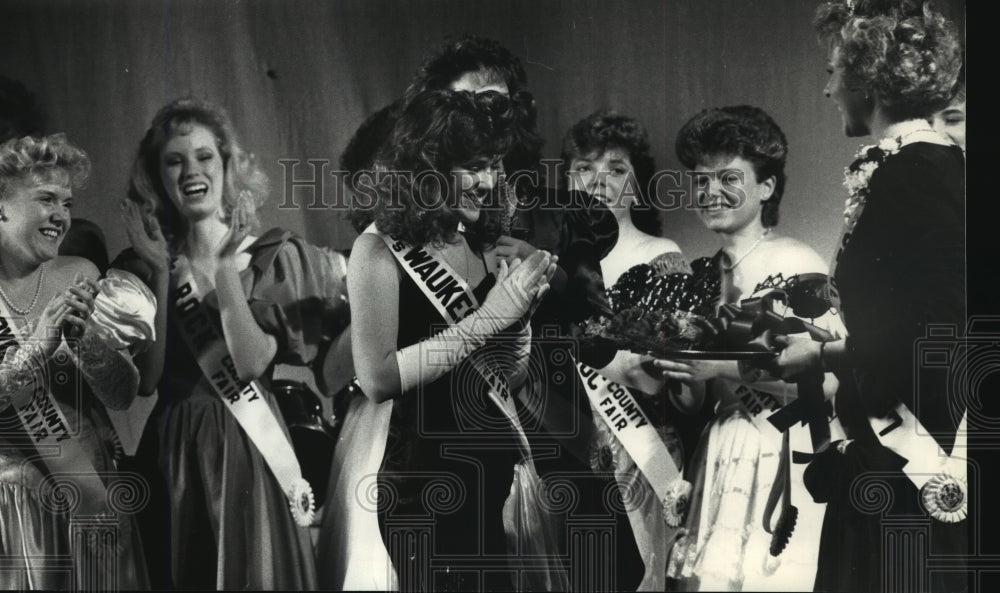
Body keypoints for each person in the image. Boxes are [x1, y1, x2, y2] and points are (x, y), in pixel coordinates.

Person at [773, 2, 966, 591]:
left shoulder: (919, 171)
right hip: (888, 460)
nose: (829, 89)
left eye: (834, 71)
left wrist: (823, 356)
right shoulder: (921, 165)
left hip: (911, 468)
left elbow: (938, 327)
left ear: (867, 76)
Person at [117, 98, 347, 589]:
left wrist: (223, 270)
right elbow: (149, 380)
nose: (190, 171)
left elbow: (250, 362)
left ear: (227, 165)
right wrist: (160, 271)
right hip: (175, 452)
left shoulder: (269, 256)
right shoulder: (144, 263)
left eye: (204, 156)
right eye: (173, 161)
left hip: (250, 444)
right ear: (157, 176)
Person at [346, 88, 556, 592]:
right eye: (474, 166)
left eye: (494, 165)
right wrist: (488, 319)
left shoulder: (481, 243)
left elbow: (505, 378)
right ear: (428, 168)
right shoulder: (376, 251)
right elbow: (377, 379)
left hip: (490, 478)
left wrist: (520, 321)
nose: (489, 182)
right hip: (422, 487)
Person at [661, 105, 844, 591]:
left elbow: (825, 382)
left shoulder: (798, 262)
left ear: (767, 187)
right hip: (722, 450)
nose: (710, 192)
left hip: (782, 449)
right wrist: (680, 377)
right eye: (701, 181)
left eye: (729, 178)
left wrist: (715, 365)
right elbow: (699, 397)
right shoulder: (699, 278)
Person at [0, 134, 154, 589]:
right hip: (16, 508)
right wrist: (39, 346)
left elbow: (123, 394)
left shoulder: (80, 274)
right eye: (46, 199)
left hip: (92, 493)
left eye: (66, 202)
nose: (61, 216)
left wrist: (85, 341)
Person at [559, 109, 691, 591]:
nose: (598, 181)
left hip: (639, 448)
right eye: (584, 168)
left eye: (616, 169)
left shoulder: (663, 255)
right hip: (569, 452)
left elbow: (665, 371)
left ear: (637, 185)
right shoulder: (547, 262)